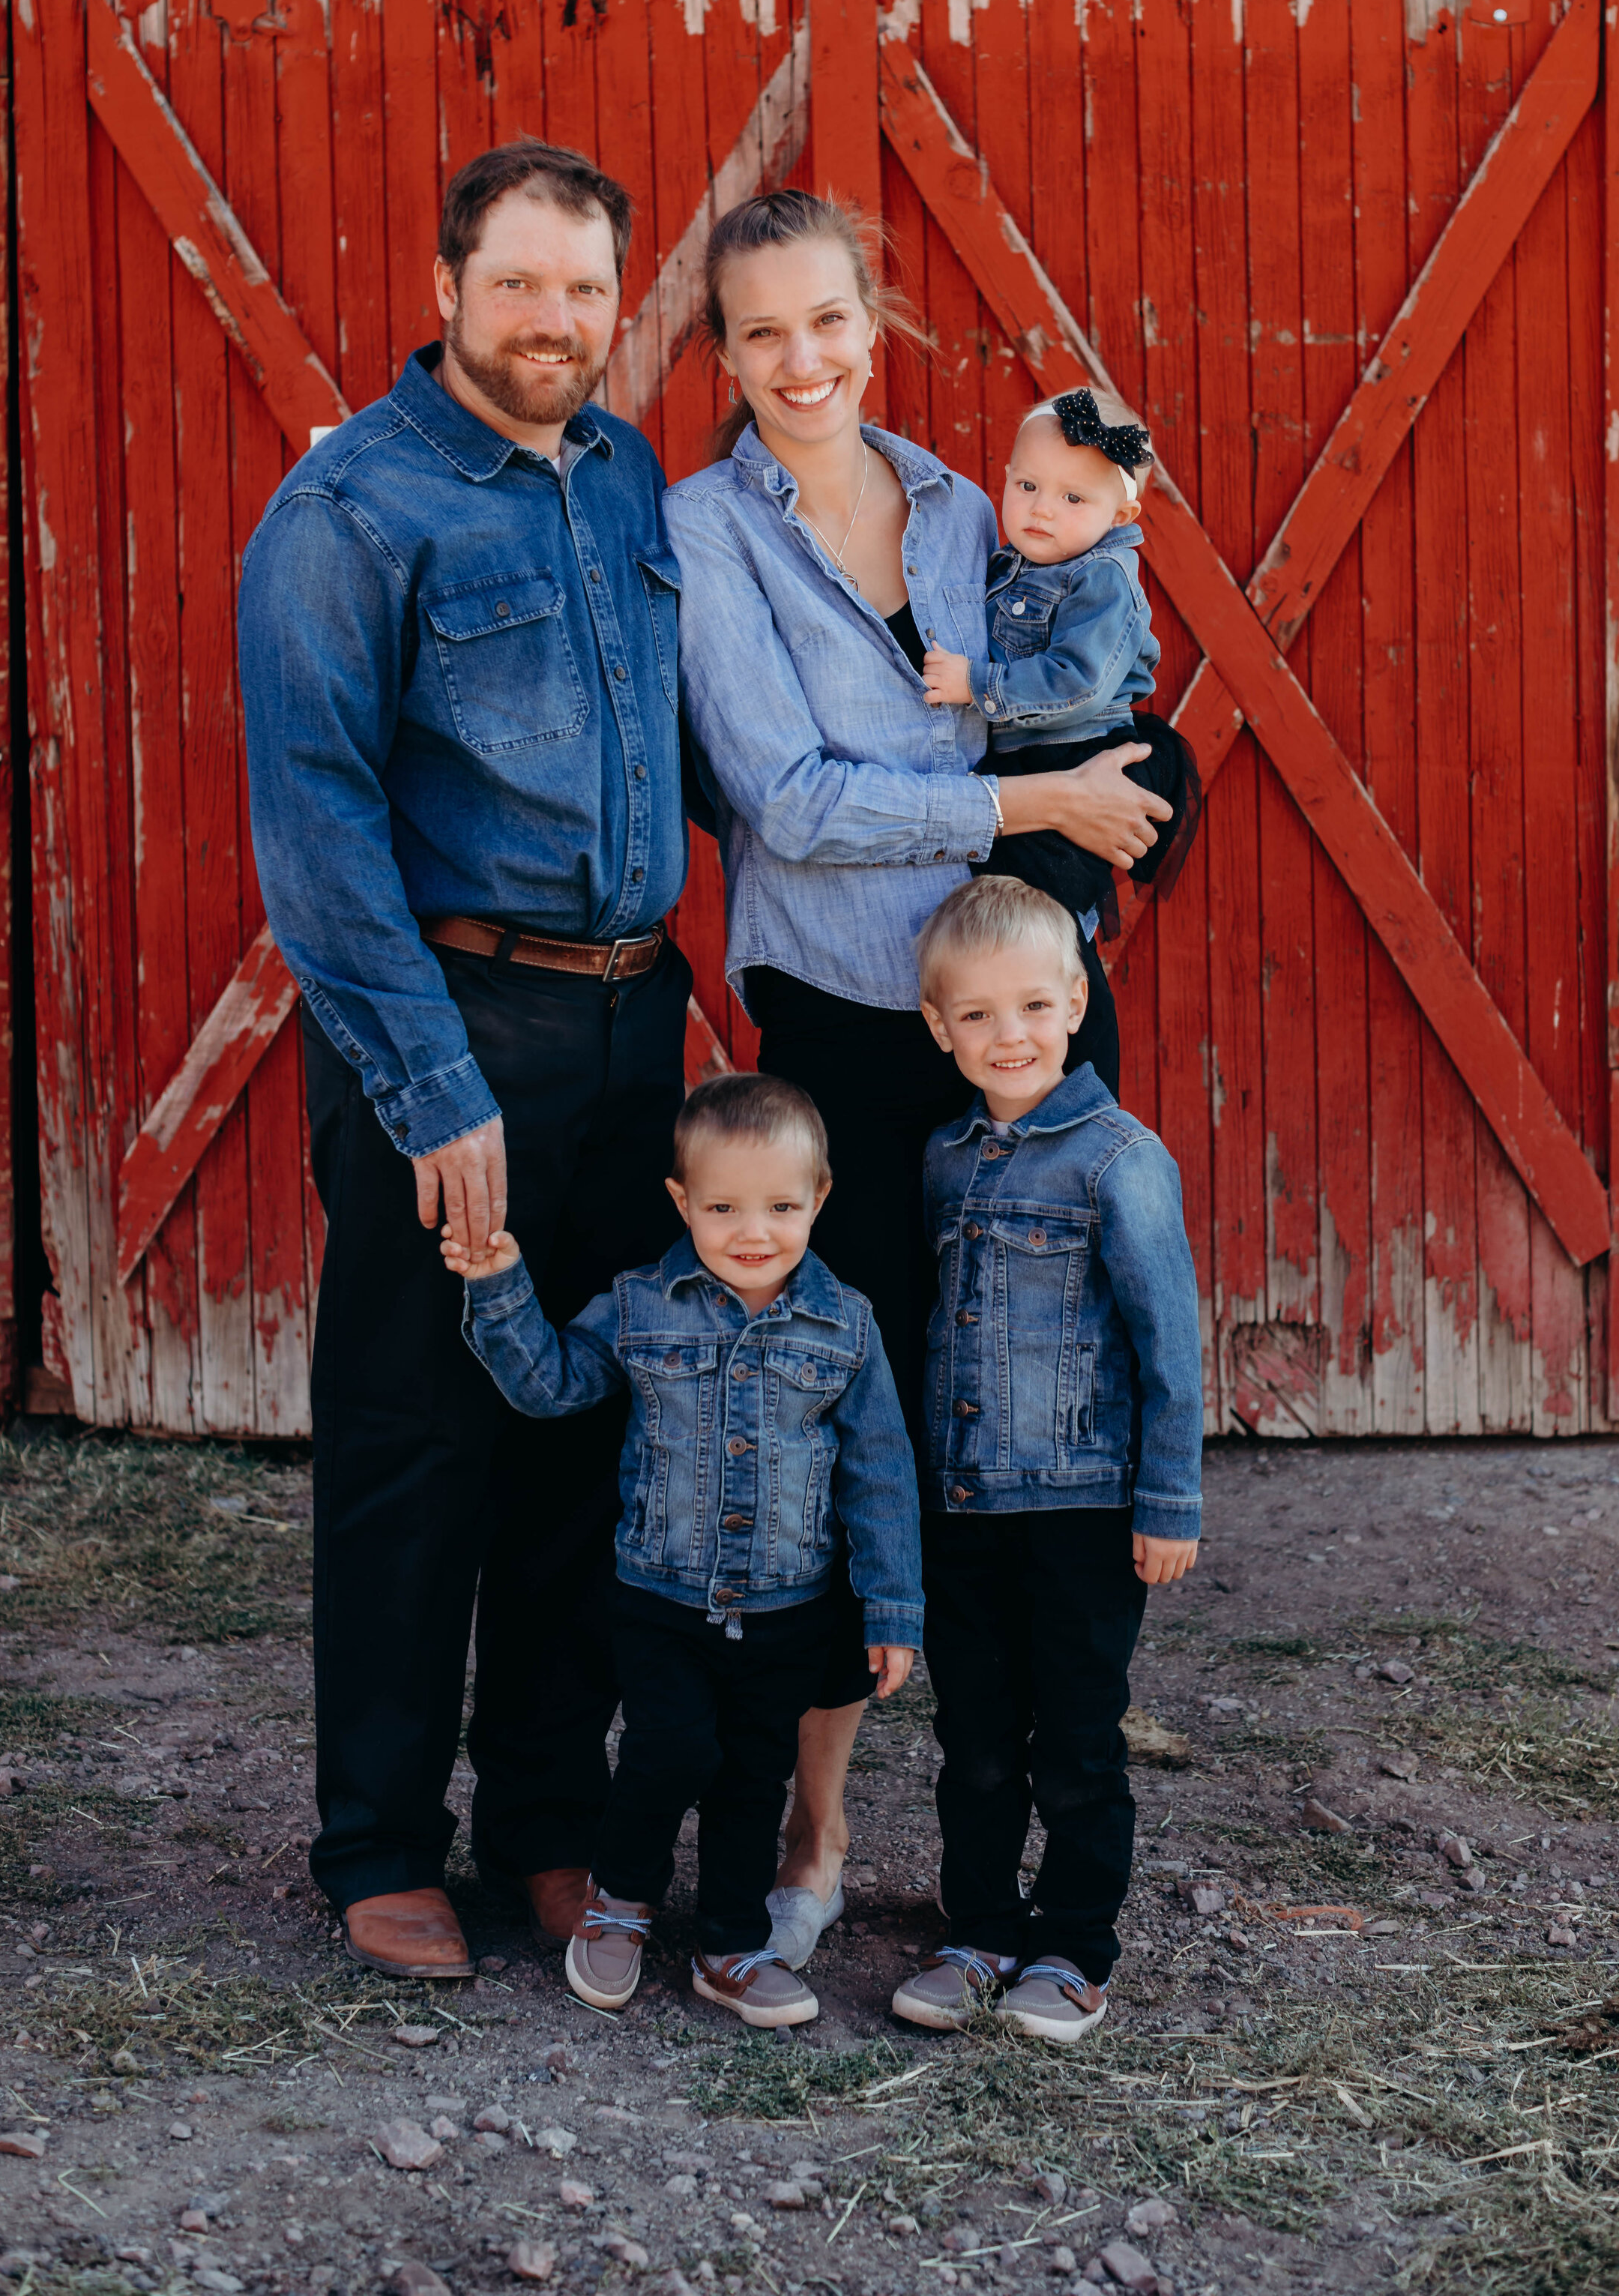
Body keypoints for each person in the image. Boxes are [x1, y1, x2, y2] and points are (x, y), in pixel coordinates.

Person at [663, 190, 1175, 1968]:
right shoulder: (703, 531)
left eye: (830, 320)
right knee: (844, 1396)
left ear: (874, 321)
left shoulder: (971, 505)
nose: (804, 360)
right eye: (761, 332)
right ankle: (811, 1814)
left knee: (1035, 1395)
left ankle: (1038, 1819)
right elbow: (785, 796)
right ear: (719, 355)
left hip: (1020, 1020)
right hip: (848, 1035)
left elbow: (1092, 694)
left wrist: (1126, 784)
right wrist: (1037, 803)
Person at [238, 142, 691, 1983]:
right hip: (447, 1019)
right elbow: (319, 825)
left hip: (630, 1015)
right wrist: (436, 1092)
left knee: (582, 1431)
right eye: (520, 285)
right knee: (421, 1444)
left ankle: (547, 1826)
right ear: (445, 286)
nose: (556, 323)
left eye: (585, 289)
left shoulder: (625, 472)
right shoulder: (349, 513)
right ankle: (374, 1838)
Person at [439, 1074, 922, 2029]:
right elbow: (550, 1386)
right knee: (671, 1750)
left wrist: (892, 1611)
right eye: (724, 1206)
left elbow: (880, 1477)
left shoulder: (845, 1326)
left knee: (752, 1776)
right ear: (681, 1202)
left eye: (783, 1206)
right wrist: (496, 1281)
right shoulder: (640, 1306)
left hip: (790, 1603)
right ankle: (618, 1903)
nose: (755, 1230)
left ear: (820, 1198)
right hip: (661, 1598)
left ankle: (732, 1945)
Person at [890, 876, 1205, 2043]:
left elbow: (1168, 1337)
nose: (1006, 1035)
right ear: (939, 1026)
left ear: (1077, 1003)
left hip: (1083, 1504)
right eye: (976, 1015)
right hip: (969, 1502)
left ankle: (1072, 1947)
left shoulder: (1120, 1161)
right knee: (972, 1735)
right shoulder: (942, 1158)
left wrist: (1169, 1498)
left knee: (1074, 1736)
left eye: (1032, 1005)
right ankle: (975, 1929)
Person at [921, 384, 1202, 1099]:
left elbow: (1076, 683)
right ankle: (1006, 1049)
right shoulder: (1015, 559)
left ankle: (1076, 1063)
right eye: (1027, 485)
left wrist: (977, 684)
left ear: (1123, 514)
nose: (1042, 508)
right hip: (1024, 761)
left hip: (1072, 753)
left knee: (1044, 923)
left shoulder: (1104, 577)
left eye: (1074, 498)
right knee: (1008, 922)